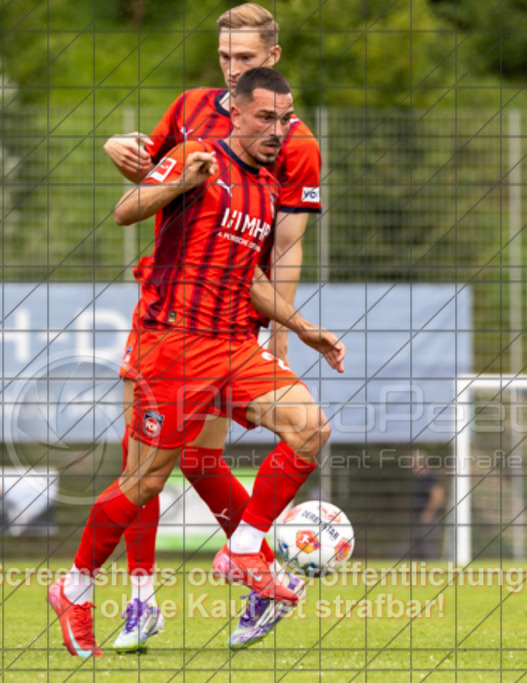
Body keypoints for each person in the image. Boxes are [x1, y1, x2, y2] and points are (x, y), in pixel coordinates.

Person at [47, 68, 345, 659]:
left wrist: (306, 330)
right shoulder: (196, 154)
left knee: (310, 429)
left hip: (234, 345)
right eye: (266, 118)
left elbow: (252, 279)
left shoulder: (265, 186)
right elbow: (126, 210)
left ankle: (245, 546)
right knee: (145, 481)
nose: (278, 130)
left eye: (286, 120)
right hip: (173, 345)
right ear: (234, 113)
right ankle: (74, 588)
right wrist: (177, 181)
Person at [103, 2, 322, 653]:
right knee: (136, 456)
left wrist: (280, 328)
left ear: (273, 60)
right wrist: (125, 154)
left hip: (231, 317)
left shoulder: (297, 143)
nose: (232, 70)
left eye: (246, 59)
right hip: (160, 306)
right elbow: (158, 182)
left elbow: (285, 244)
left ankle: (258, 567)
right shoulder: (190, 107)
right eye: (225, 57)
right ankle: (142, 602)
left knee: (198, 457)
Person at [408, 451, 446, 560]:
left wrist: (427, 514)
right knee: (419, 549)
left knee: (429, 549)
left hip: (428, 520)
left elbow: (438, 495)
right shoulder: (422, 479)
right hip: (422, 519)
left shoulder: (429, 478)